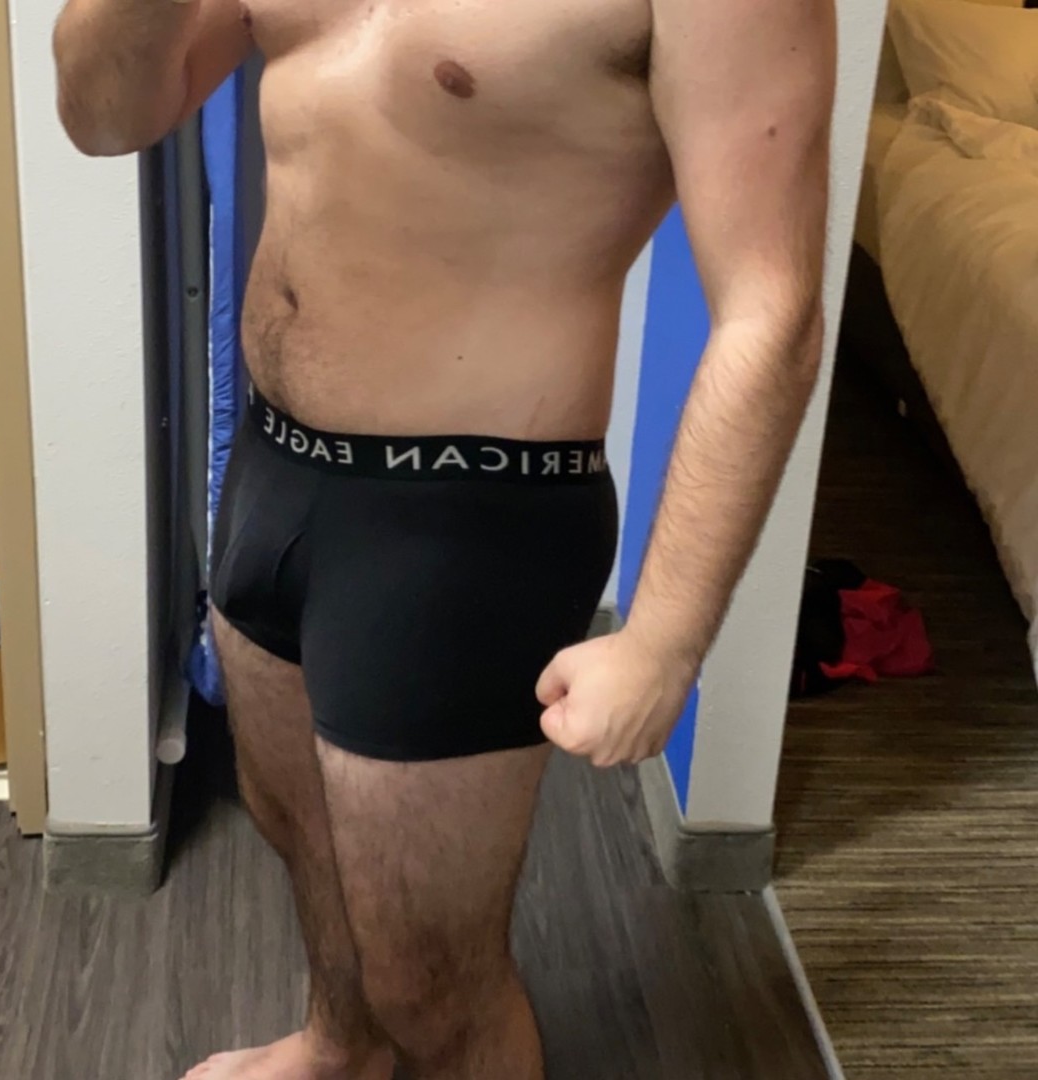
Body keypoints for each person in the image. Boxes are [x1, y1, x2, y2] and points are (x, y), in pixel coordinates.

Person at [53, 1, 836, 1077]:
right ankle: (340, 1050)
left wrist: (665, 637)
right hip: (272, 468)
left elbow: (771, 309)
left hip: (468, 521)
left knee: (433, 987)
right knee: (302, 840)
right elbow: (104, 118)